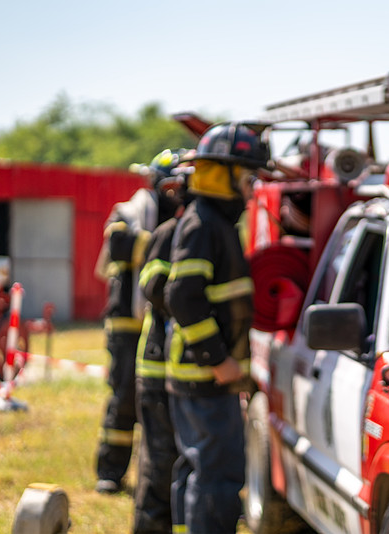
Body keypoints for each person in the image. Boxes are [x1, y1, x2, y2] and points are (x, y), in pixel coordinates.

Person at [164, 121, 268, 533]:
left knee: (196, 470)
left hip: (199, 376)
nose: (251, 188)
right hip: (205, 376)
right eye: (247, 176)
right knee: (219, 475)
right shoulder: (204, 223)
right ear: (223, 174)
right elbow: (183, 298)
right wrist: (219, 360)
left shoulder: (209, 220)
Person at [94, 148, 187, 494]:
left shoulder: (183, 217)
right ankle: (111, 471)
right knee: (123, 396)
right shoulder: (131, 211)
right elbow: (117, 244)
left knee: (160, 399)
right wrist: (167, 245)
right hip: (127, 321)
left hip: (162, 318)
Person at [133, 149, 192, 533]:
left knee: (177, 463)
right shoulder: (169, 234)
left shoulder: (196, 230)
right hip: (156, 369)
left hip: (182, 372)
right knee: (158, 463)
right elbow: (152, 286)